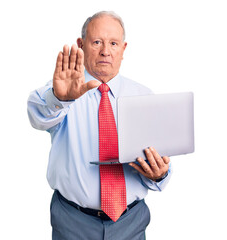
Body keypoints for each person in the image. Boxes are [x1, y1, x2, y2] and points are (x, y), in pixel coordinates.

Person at [27, 11, 172, 240]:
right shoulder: (64, 91)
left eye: (113, 43)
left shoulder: (144, 97)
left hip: (130, 222)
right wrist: (60, 99)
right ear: (81, 45)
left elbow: (158, 160)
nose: (106, 51)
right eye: (97, 42)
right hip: (73, 223)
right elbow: (38, 115)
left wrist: (160, 174)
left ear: (123, 50)